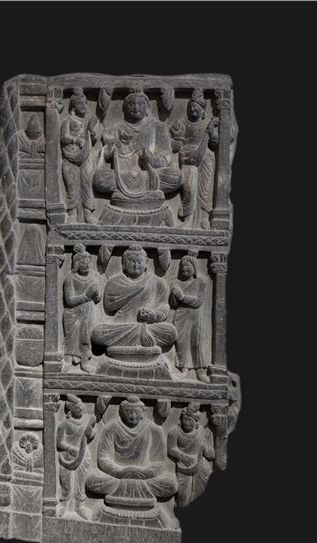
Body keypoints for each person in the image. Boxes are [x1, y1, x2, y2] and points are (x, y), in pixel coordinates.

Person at [93, 88, 182, 226]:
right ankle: (138, 195)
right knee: (99, 179)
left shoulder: (157, 127)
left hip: (149, 175)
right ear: (125, 108)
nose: (136, 107)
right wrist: (109, 147)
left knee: (176, 177)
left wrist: (153, 159)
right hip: (123, 175)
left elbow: (166, 155)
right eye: (131, 104)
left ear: (147, 107)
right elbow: (107, 155)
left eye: (140, 104)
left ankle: (130, 195)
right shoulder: (118, 128)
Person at [85, 396, 177, 507]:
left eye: (137, 412)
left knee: (171, 484)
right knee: (92, 480)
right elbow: (103, 458)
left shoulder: (154, 430)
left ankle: (123, 492)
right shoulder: (111, 427)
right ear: (121, 413)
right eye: (128, 412)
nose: (133, 416)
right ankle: (138, 493)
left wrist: (143, 473)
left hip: (144, 477)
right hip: (117, 475)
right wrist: (119, 471)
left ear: (142, 413)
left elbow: (160, 463)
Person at [91, 245, 176, 350]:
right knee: (97, 333)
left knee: (170, 332)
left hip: (147, 326)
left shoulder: (157, 282)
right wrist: (133, 290)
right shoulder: (114, 282)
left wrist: (154, 315)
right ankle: (141, 340)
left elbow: (164, 305)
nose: (136, 265)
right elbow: (109, 306)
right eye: (131, 261)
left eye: (139, 262)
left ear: (146, 263)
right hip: (120, 325)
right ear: (123, 264)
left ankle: (132, 339)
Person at [170, 89, 219, 229]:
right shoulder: (182, 124)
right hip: (188, 159)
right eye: (190, 107)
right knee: (189, 188)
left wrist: (211, 133)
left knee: (204, 190)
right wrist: (177, 136)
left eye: (196, 107)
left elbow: (215, 144)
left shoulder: (207, 124)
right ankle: (188, 218)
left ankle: (204, 218)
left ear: (203, 110)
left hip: (205, 160)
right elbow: (175, 146)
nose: (193, 109)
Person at [170, 250, 209, 382]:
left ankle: (200, 370)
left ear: (194, 267)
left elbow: (198, 301)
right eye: (182, 266)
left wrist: (182, 297)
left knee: (196, 342)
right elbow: (173, 304)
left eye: (188, 266)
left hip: (195, 317)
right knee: (182, 343)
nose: (184, 269)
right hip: (181, 317)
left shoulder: (200, 282)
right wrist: (174, 296)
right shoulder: (177, 283)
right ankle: (184, 369)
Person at [60, 88, 98, 223]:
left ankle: (88, 213)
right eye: (79, 104)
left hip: (85, 156)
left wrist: (91, 133)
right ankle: (72, 213)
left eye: (84, 104)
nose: (83, 107)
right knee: (71, 184)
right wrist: (75, 140)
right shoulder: (68, 121)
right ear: (73, 106)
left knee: (87, 184)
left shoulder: (87, 122)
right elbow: (64, 137)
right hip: (70, 156)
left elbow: (92, 140)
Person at [167, 403, 215, 507]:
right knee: (183, 498)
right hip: (183, 466)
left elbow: (211, 455)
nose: (186, 423)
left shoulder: (203, 432)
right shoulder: (174, 432)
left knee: (200, 494)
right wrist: (183, 457)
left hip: (201, 466)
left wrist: (205, 447)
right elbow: (171, 449)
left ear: (196, 422)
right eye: (185, 419)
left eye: (190, 420)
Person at [56, 395, 96, 520]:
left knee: (80, 481)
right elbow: (59, 443)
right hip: (67, 456)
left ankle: (80, 506)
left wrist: (91, 433)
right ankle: (64, 504)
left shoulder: (87, 420)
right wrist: (70, 448)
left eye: (81, 407)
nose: (81, 410)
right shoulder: (64, 424)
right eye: (77, 408)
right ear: (71, 409)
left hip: (83, 455)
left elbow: (91, 435)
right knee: (66, 480)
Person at [63, 244, 100, 372]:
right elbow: (69, 301)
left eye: (88, 263)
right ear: (76, 264)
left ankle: (84, 363)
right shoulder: (70, 278)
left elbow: (97, 300)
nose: (86, 265)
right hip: (72, 313)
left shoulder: (93, 278)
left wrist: (96, 295)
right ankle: (67, 361)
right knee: (71, 339)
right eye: (83, 263)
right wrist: (86, 296)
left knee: (86, 338)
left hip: (88, 313)